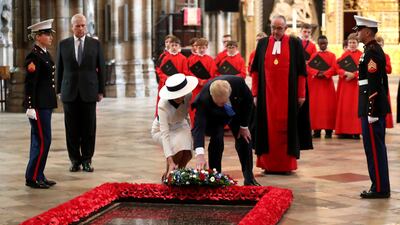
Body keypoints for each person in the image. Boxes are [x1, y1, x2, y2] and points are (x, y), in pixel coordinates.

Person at [250, 15, 312, 174]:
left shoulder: (294, 43)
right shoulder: (263, 43)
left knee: (286, 130)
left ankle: (286, 165)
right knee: (266, 129)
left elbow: (301, 72)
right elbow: (255, 71)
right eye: (273, 28)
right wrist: (255, 94)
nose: (275, 31)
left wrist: (301, 94)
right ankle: (267, 164)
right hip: (266, 98)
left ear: (285, 28)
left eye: (279, 28)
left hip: (288, 98)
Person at [56, 13, 106, 173]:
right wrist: (58, 90)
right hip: (69, 91)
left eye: (83, 25)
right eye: (77, 25)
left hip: (89, 91)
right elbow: (59, 68)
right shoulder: (63, 44)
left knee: (88, 128)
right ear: (72, 27)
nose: (81, 28)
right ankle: (74, 160)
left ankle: (87, 160)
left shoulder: (95, 44)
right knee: (71, 129)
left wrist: (101, 90)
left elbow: (101, 69)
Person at [192, 75, 260, 186]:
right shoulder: (202, 100)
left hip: (236, 111)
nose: (221, 105)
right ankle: (216, 177)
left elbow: (248, 101)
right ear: (211, 96)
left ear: (230, 92)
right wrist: (199, 154)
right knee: (217, 139)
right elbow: (198, 128)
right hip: (215, 117)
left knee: (244, 139)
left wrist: (244, 126)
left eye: (223, 103)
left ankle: (249, 178)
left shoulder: (238, 84)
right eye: (218, 103)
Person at [354, 15, 390, 198]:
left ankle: (380, 188)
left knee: (375, 148)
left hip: (372, 107)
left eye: (359, 30)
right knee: (372, 148)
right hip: (368, 103)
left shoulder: (373, 51)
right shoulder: (369, 50)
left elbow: (375, 83)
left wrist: (372, 110)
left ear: (368, 32)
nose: (357, 33)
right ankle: (378, 185)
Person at [24, 19, 57, 189]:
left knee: (40, 140)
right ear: (38, 37)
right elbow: (31, 83)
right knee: (44, 141)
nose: (51, 37)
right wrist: (30, 106)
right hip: (38, 105)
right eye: (47, 34)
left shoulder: (44, 53)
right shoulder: (34, 56)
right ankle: (34, 177)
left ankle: (37, 175)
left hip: (45, 104)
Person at [151, 73, 198, 179]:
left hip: (181, 124)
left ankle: (180, 177)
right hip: (161, 129)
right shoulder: (163, 106)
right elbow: (165, 134)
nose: (179, 97)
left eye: (181, 94)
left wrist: (190, 131)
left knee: (187, 153)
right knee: (178, 151)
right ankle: (169, 174)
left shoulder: (188, 95)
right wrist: (170, 160)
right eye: (176, 95)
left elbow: (186, 115)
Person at [307, 35, 337, 138]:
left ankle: (329, 130)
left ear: (327, 43)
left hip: (327, 84)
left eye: (324, 43)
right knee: (316, 107)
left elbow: (335, 68)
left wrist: (324, 74)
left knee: (328, 107)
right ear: (318, 44)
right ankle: (316, 130)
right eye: (321, 43)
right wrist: (317, 72)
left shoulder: (332, 55)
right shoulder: (314, 55)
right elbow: (308, 67)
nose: (323, 45)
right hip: (316, 85)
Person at [335, 33, 362, 139]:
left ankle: (356, 131)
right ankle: (344, 130)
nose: (352, 44)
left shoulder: (362, 54)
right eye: (350, 42)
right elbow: (337, 67)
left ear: (358, 43)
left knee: (355, 107)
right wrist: (345, 73)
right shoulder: (344, 55)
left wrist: (354, 75)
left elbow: (364, 69)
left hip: (356, 85)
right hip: (345, 85)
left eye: (354, 42)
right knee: (345, 107)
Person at [155, 36, 189, 115]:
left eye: (176, 45)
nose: (174, 47)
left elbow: (185, 72)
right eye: (172, 45)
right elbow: (158, 69)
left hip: (177, 84)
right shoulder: (164, 56)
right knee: (164, 103)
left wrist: (179, 80)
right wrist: (165, 78)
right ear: (169, 46)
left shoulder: (183, 58)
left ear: (179, 46)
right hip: (165, 83)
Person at [187, 37, 217, 126]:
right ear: (196, 48)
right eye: (199, 48)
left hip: (206, 87)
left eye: (203, 47)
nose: (201, 50)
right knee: (194, 107)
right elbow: (188, 72)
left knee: (206, 107)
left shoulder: (210, 59)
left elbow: (213, 73)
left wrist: (206, 81)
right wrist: (199, 81)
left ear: (206, 48)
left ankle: (206, 127)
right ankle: (194, 125)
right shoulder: (191, 59)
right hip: (195, 87)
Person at [376, 36, 393, 128]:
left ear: (383, 45)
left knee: (383, 104)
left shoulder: (386, 56)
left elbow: (389, 69)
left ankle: (384, 123)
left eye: (380, 44)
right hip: (373, 82)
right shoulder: (370, 54)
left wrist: (380, 66)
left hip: (382, 83)